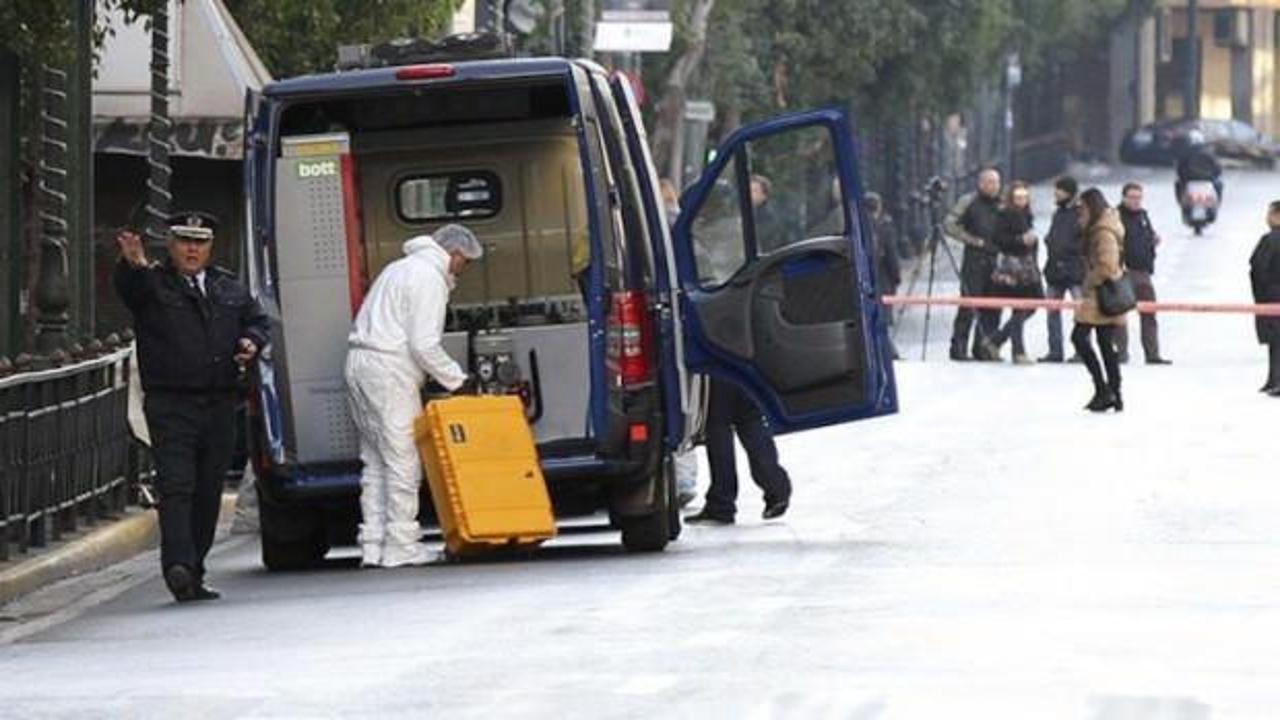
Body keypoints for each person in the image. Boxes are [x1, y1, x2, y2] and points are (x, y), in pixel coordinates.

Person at [114, 211, 270, 602]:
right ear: (171, 244)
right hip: (172, 403)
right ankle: (177, 566)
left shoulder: (227, 287)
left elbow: (258, 322)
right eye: (184, 241)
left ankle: (194, 570)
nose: (191, 250)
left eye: (199, 243)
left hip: (219, 403)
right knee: (177, 485)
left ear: (209, 247)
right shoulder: (154, 284)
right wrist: (132, 264)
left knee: (207, 490)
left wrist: (251, 340)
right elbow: (132, 288)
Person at [344, 224, 484, 568]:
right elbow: (423, 344)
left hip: (359, 365)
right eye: (464, 262)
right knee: (403, 459)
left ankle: (374, 544)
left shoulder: (397, 268)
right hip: (388, 371)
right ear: (454, 254)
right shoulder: (429, 278)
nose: (461, 271)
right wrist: (457, 381)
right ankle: (403, 545)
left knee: (376, 460)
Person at [685, 379, 792, 525]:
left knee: (718, 431)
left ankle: (721, 504)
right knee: (750, 419)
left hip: (715, 370)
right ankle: (777, 487)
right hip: (744, 369)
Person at [1072, 189, 1130, 413]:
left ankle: (1104, 389)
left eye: (1083, 208)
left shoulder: (1102, 232)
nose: (1081, 214)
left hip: (1101, 295)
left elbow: (1107, 264)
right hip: (1101, 295)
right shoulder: (1102, 227)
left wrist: (1089, 282)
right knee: (1105, 344)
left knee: (1080, 338)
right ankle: (1112, 392)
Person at [946, 168, 1003, 361]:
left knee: (993, 307)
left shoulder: (1003, 204)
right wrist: (971, 239)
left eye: (996, 182)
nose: (993, 186)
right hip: (974, 259)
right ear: (980, 183)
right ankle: (958, 347)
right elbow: (949, 224)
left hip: (996, 259)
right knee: (969, 305)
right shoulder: (968, 201)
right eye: (989, 182)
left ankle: (983, 348)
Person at [983, 181, 1044, 364]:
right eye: (1018, 197)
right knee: (1022, 307)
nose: (1022, 200)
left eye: (1025, 197)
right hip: (1013, 268)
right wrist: (1020, 240)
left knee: (1027, 307)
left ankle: (997, 341)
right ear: (1011, 197)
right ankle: (1016, 351)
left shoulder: (1025, 214)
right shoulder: (1006, 214)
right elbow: (998, 239)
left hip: (1027, 267)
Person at [1116, 182, 1171, 365]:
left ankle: (1152, 354)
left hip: (1143, 271)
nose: (1135, 201)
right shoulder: (1115, 217)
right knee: (1119, 315)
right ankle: (1121, 353)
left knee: (1149, 312)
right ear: (1124, 197)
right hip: (1123, 271)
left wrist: (1152, 241)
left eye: (1138, 198)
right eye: (1132, 197)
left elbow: (1146, 236)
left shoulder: (1143, 216)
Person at [1039, 176, 1085, 363]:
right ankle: (1055, 350)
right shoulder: (1058, 214)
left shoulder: (1082, 214)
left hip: (1075, 271)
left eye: (1059, 191)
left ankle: (1081, 351)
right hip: (1055, 270)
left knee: (1081, 313)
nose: (1056, 194)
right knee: (1052, 312)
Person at [865, 192, 903, 359]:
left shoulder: (859, 226)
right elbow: (891, 255)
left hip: (864, 277)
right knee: (882, 317)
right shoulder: (884, 227)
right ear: (878, 207)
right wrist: (896, 277)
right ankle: (887, 350)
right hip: (882, 278)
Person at [1249, 201, 1280, 396]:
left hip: (1273, 295)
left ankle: (1277, 380)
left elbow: (1259, 268)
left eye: (1270, 214)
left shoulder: (1270, 240)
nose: (1267, 218)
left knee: (1276, 340)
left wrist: (1262, 292)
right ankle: (1272, 378)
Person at [1175, 141, 1223, 206]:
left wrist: (1184, 178)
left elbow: (1179, 169)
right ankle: (1218, 203)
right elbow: (1218, 169)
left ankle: (1181, 203)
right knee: (1219, 184)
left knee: (1178, 184)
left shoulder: (1186, 154)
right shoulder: (1210, 154)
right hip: (1208, 179)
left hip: (1189, 179)